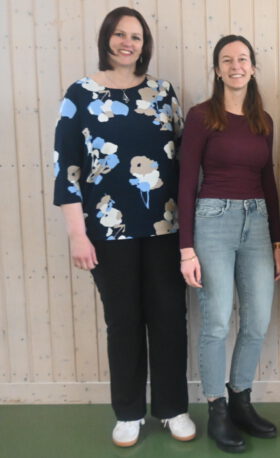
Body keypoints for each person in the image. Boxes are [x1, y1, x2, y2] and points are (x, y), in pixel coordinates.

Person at [53, 6, 194, 448]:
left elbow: (186, 162)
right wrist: (77, 234)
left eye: (135, 36)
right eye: (119, 34)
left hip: (165, 228)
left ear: (144, 44)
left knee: (169, 318)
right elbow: (66, 169)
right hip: (106, 231)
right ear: (106, 39)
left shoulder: (163, 93)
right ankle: (129, 413)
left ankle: (172, 408)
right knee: (123, 321)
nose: (127, 42)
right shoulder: (80, 94)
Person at [178, 35, 280, 453]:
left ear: (253, 68)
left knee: (257, 321)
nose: (236, 66)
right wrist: (186, 248)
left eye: (243, 59)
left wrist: (277, 240)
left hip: (257, 223)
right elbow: (187, 181)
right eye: (227, 60)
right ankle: (216, 409)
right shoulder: (201, 116)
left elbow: (269, 180)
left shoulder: (263, 121)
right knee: (218, 321)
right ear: (217, 70)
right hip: (212, 222)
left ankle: (241, 400)